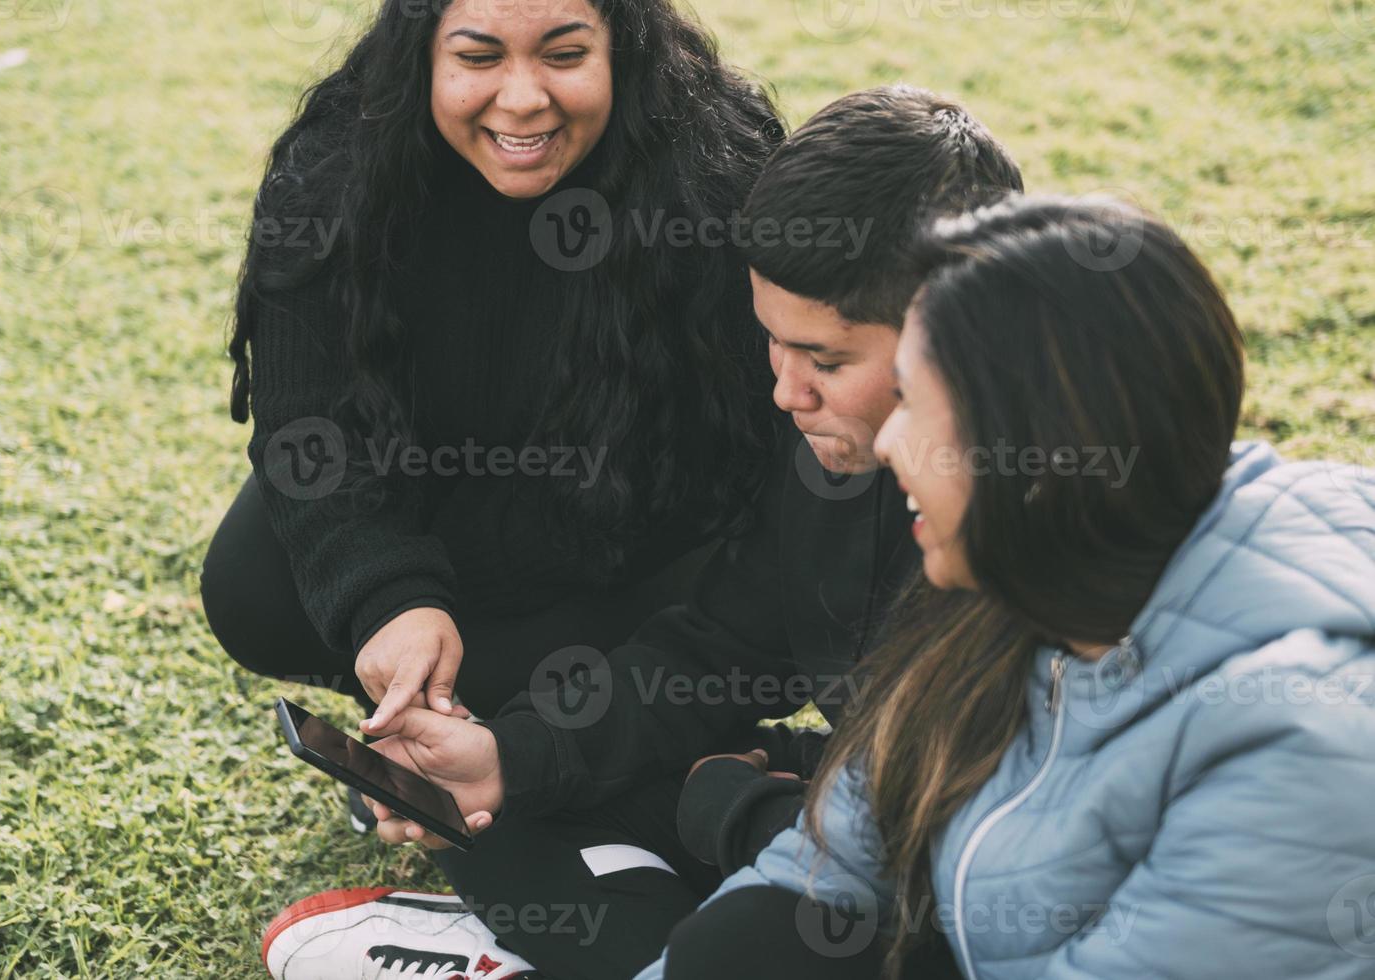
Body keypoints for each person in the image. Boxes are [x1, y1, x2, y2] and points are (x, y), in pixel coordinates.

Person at [260, 86, 1023, 980]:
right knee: (498, 806)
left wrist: (737, 805)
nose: (785, 392)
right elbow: (719, 644)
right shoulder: (830, 458)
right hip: (841, 798)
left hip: (945, 880)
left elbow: (984, 859)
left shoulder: (1055, 523)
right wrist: (511, 757)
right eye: (771, 342)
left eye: (825, 360)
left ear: (962, 331)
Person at [635, 195, 1375, 980]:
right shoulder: (1013, 592)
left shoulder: (1294, 745)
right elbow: (826, 868)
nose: (889, 441)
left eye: (915, 403)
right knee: (750, 942)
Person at [198, 0, 785, 835]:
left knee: (577, 681)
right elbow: (304, 426)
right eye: (477, 57)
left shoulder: (717, 167)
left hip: (624, 542)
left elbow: (753, 465)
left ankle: (529, 745)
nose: (521, 100)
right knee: (252, 587)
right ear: (421, 54)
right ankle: (445, 720)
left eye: (564, 54)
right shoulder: (335, 164)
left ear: (625, 48)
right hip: (435, 508)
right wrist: (389, 599)